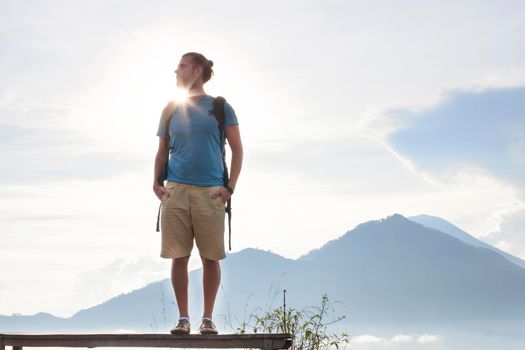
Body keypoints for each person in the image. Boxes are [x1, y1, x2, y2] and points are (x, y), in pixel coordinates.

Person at [153, 52, 243, 335]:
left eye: (181, 65)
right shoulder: (170, 109)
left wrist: (230, 188)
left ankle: (207, 318)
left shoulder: (220, 107)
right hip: (176, 190)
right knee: (178, 257)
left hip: (211, 191)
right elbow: (161, 150)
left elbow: (238, 150)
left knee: (210, 258)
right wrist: (156, 183)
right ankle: (183, 318)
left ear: (198, 70)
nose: (176, 70)